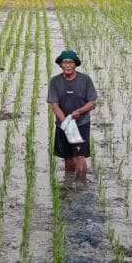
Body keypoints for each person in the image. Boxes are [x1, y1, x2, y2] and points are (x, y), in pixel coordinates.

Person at [47, 49, 97, 182]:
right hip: (63, 125)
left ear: (75, 64)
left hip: (81, 125)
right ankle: (69, 184)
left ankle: (81, 185)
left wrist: (79, 112)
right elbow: (54, 105)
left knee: (80, 156)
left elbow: (92, 103)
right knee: (67, 156)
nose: (68, 65)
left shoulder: (85, 80)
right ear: (60, 65)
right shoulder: (55, 82)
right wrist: (66, 124)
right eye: (64, 62)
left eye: (71, 62)